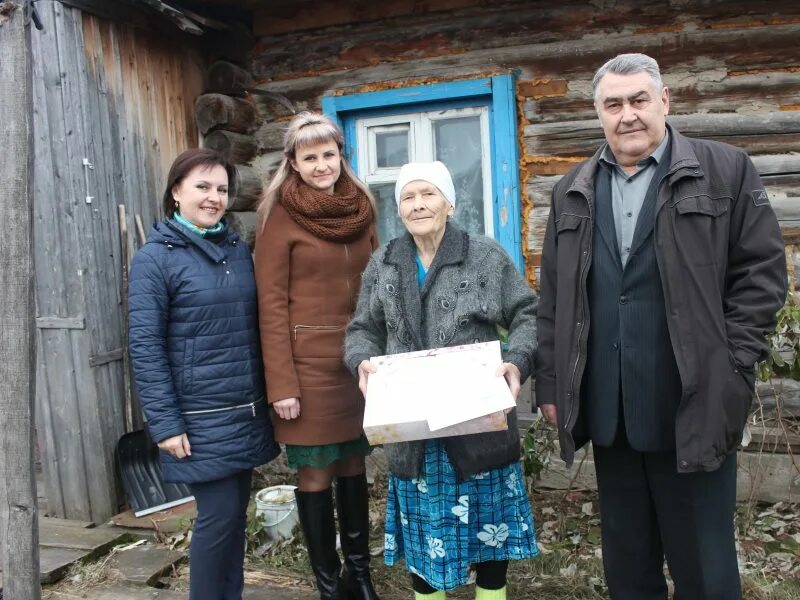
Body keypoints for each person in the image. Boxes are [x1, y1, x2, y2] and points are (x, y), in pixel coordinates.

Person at [536, 53, 787, 599]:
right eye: (613, 104)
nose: (627, 115)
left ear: (664, 101)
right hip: (611, 409)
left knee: (704, 568)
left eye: (638, 100)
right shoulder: (571, 190)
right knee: (629, 567)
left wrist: (732, 365)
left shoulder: (725, 170)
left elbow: (762, 277)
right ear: (598, 114)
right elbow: (554, 297)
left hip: (692, 403)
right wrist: (554, 382)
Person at [344, 161, 539, 600]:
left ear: (449, 203)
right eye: (408, 197)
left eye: (428, 194)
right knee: (422, 551)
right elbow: (362, 329)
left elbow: (528, 313)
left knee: (491, 550)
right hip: (415, 437)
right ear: (399, 209)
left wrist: (517, 360)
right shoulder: (386, 264)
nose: (418, 205)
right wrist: (361, 362)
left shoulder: (484, 256)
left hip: (477, 428)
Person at [128, 148, 280, 600]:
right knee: (217, 519)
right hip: (197, 417)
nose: (214, 198)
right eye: (202, 187)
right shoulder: (155, 259)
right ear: (176, 192)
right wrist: (166, 423)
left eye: (221, 189)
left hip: (242, 410)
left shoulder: (233, 247)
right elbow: (145, 345)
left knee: (233, 518)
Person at [254, 112, 380, 600]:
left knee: (354, 466)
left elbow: (377, 287)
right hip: (306, 369)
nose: (322, 165)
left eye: (329, 154)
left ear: (340, 156)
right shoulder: (278, 215)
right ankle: (328, 586)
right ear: (294, 162)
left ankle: (359, 577)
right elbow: (269, 303)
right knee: (316, 471)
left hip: (359, 363)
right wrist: (281, 384)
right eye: (311, 157)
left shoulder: (361, 205)